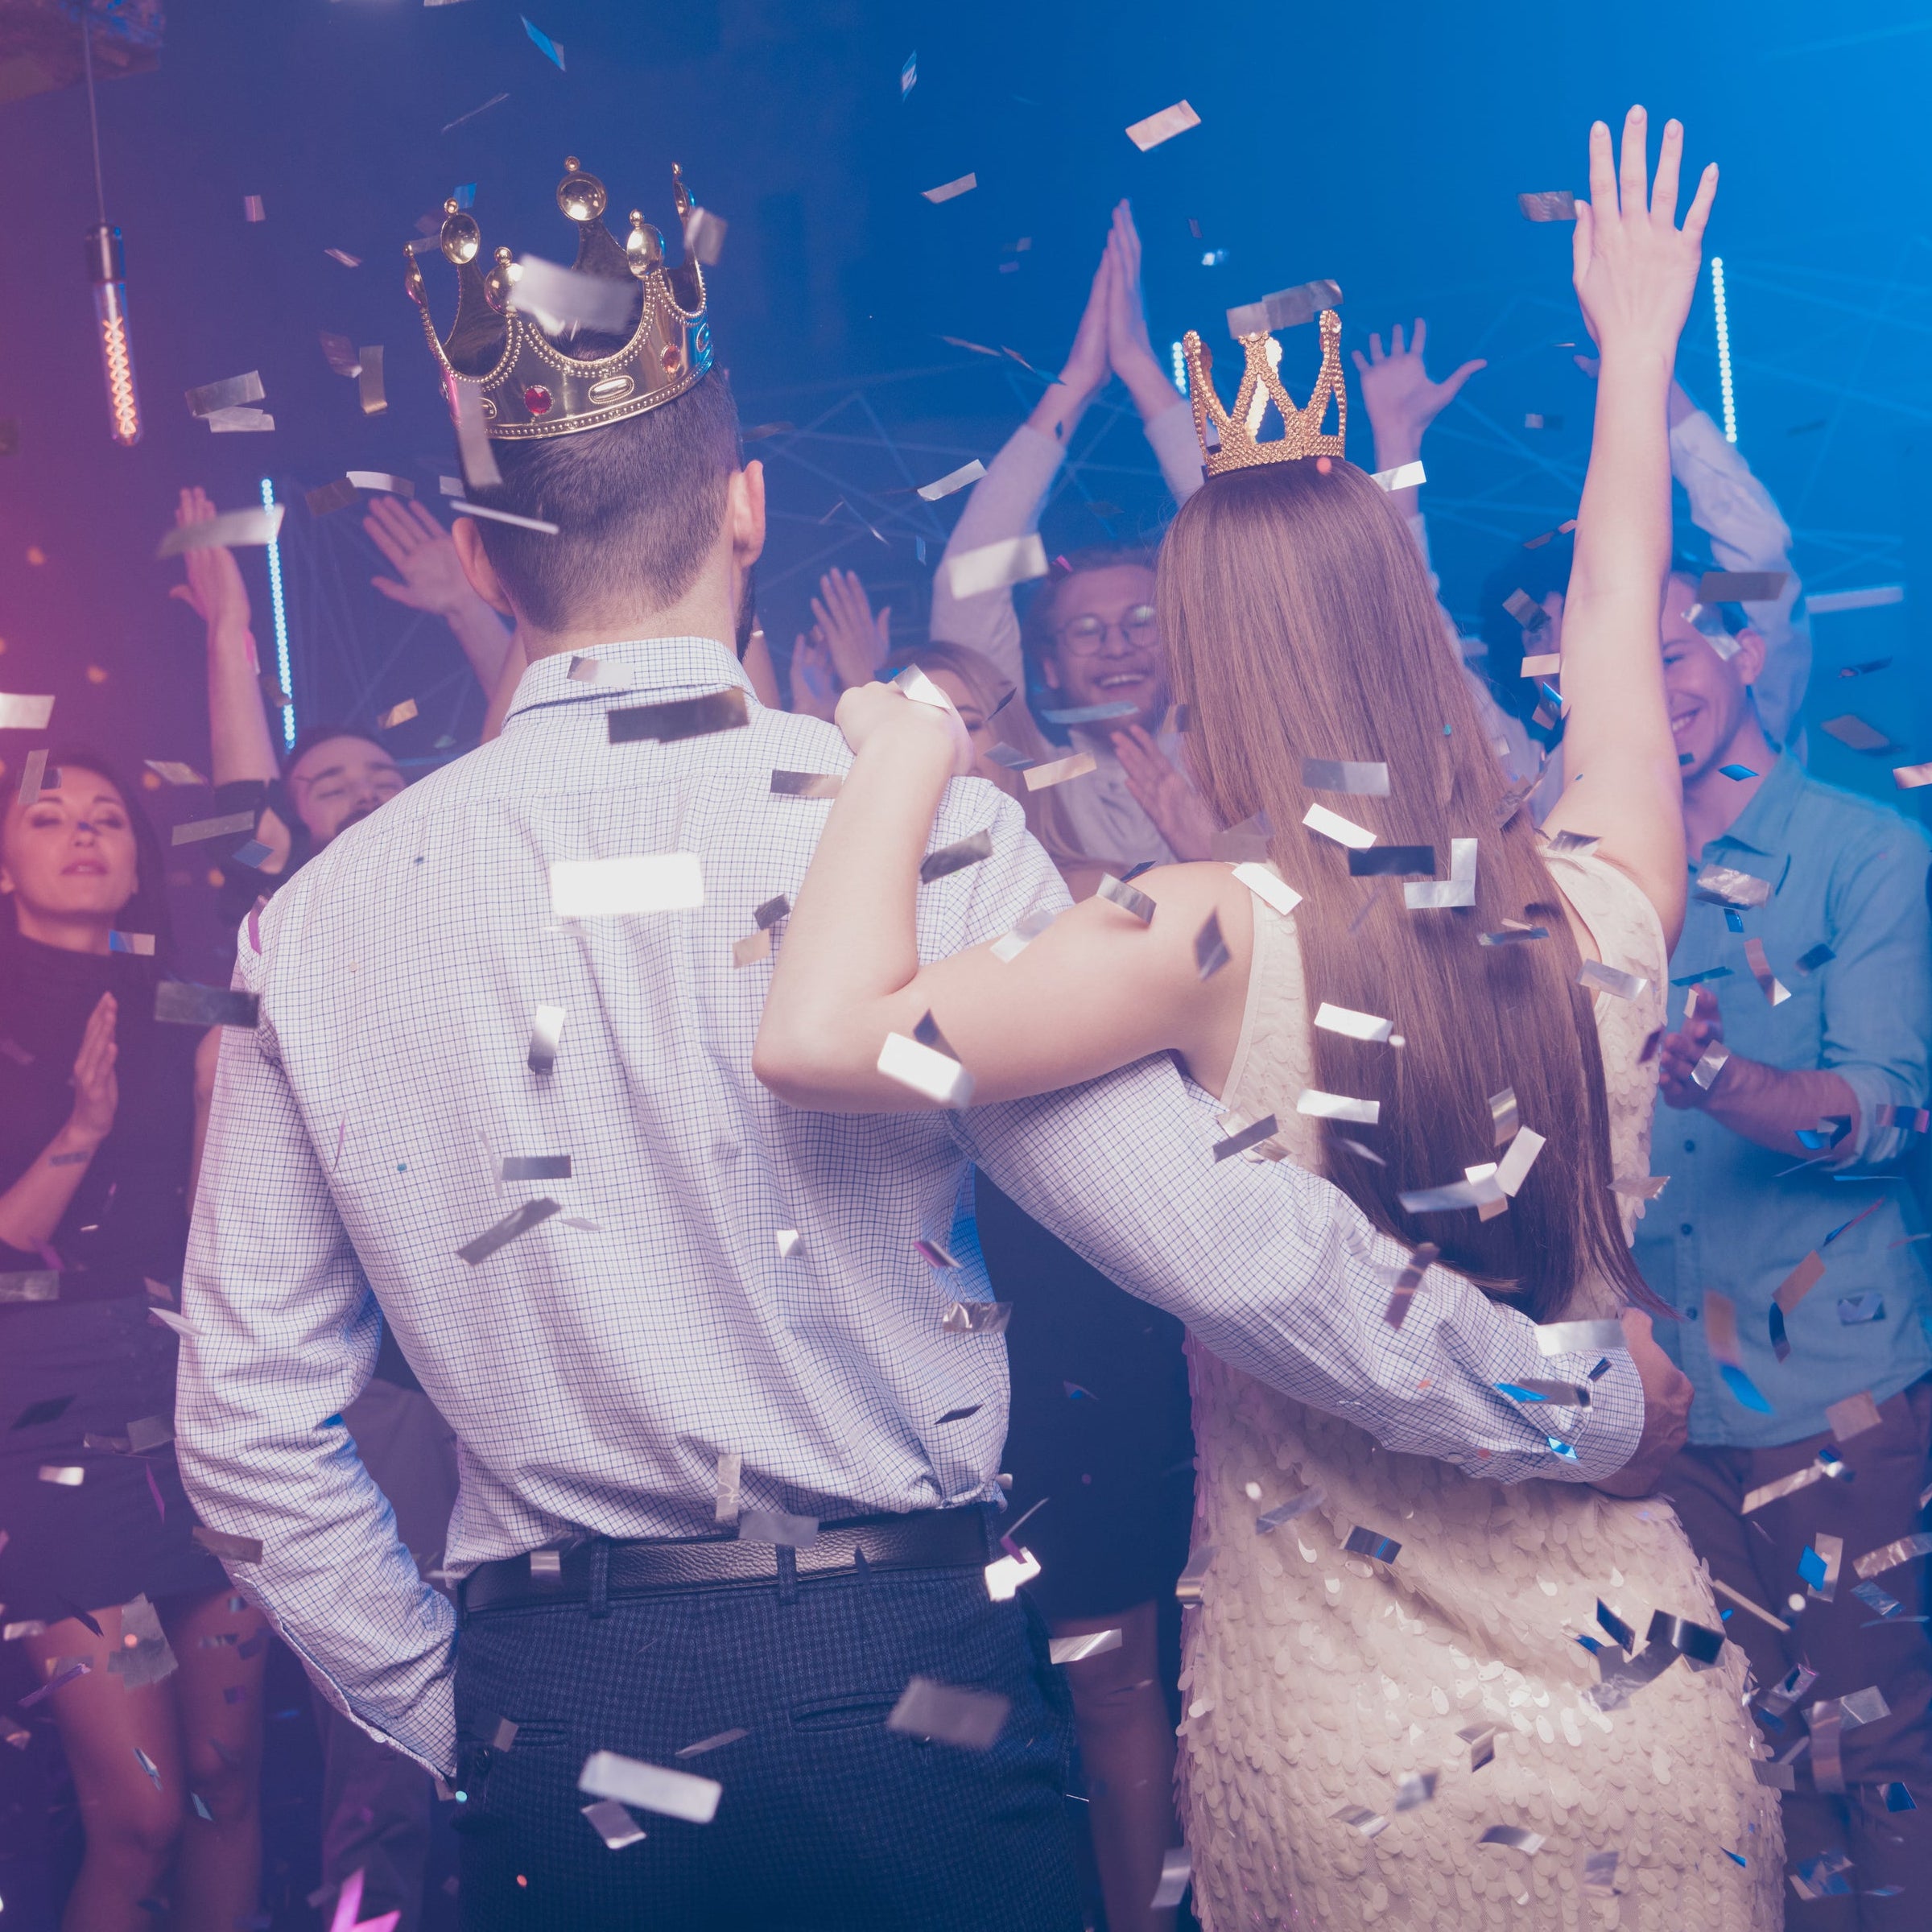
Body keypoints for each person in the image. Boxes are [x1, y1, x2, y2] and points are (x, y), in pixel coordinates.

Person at [172, 155, 1685, 1932]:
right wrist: (1567, 1400)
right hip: (905, 1695)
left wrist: (466, 1717)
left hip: (556, 1704)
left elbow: (249, 1430)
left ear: (491, 557)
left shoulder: (325, 921)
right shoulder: (911, 826)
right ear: (744, 508)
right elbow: (1214, 1240)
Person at [757, 109, 1782, 1928]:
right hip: (1633, 1686)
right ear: (1412, 623)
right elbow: (1616, 611)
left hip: (1340, 1733)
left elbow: (825, 1037)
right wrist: (1633, 349)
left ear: (1210, 650)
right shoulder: (1609, 878)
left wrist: (905, 726)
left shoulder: (1198, 928)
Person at [171, 486, 462, 1931]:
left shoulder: (481, 901)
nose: (355, 791)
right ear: (294, 824)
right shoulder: (279, 946)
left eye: (376, 774)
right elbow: (239, 807)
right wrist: (231, 623)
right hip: (377, 1385)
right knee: (386, 1743)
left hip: (515, 1351)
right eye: (324, 783)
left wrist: (475, 605)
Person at [1635, 542, 1932, 1917]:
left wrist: (1718, 1080)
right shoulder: (1592, 881)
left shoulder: (1868, 853)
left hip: (1837, 1397)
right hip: (1662, 1412)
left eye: (1676, 655)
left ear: (1743, 653)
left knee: (1881, 1746)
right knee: (1734, 1755)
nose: (1654, 690)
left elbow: (1877, 1112)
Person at [0, 755, 270, 1931]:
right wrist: (84, 1131)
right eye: (47, 815)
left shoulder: (186, 994)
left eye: (109, 818)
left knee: (221, 1780)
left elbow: (225, 1233)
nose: (83, 835)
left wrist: (218, 1101)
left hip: (192, 1384)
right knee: (140, 1812)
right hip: (44, 1408)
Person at [1353, 328, 1814, 815]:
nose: (1560, 651)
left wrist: (1651, 380)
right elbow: (1418, 635)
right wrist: (1398, 440)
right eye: (1536, 636)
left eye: (1575, 621)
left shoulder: (1747, 711)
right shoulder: (1536, 789)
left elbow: (1758, 553)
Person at [931, 201, 1220, 875]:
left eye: (1142, 620)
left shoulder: (1238, 746)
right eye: (1086, 629)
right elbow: (967, 582)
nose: (1118, 645)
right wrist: (1077, 383)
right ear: (1050, 666)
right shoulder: (1032, 777)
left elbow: (1252, 550)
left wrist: (1142, 368)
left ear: (1179, 643)